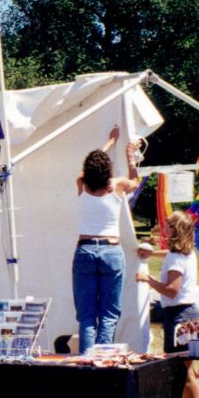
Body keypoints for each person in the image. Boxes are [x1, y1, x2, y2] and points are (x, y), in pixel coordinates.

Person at [73, 127, 140, 353]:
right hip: (111, 250)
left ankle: (86, 362)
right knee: (109, 315)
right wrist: (130, 157)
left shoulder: (81, 182)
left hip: (85, 249)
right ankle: (103, 362)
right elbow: (136, 181)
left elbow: (86, 169)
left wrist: (109, 142)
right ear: (108, 170)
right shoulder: (117, 184)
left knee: (87, 316)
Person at [136, 211, 199, 398]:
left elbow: (172, 291)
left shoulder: (176, 258)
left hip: (180, 315)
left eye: (169, 225)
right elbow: (170, 255)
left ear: (176, 230)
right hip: (184, 314)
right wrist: (152, 253)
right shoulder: (184, 252)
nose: (164, 228)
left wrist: (148, 279)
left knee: (183, 372)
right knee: (181, 370)